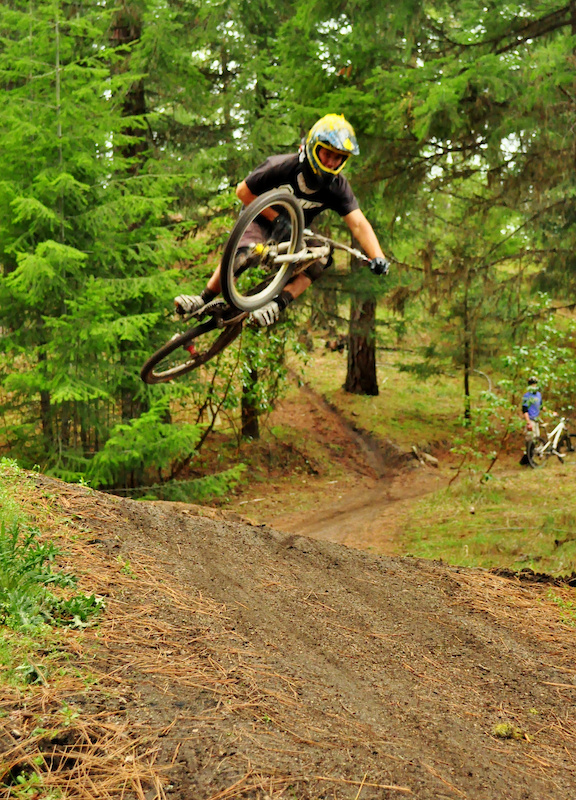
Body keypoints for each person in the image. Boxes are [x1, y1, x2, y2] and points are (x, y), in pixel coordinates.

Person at [174, 114, 390, 326]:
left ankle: (276, 305)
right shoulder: (281, 166)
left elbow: (358, 223)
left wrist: (377, 256)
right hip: (258, 219)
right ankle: (203, 298)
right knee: (247, 252)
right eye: (327, 154)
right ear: (314, 147)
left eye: (339, 157)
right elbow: (243, 192)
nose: (332, 162)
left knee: (322, 257)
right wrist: (276, 219)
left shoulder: (337, 186)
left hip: (294, 232)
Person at [522, 376, 542, 441]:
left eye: (534, 384)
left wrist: (551, 412)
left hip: (536, 420)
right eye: (532, 384)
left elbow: (541, 406)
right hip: (530, 419)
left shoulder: (539, 395)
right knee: (530, 439)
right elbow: (524, 410)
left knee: (537, 438)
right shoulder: (527, 396)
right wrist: (528, 422)